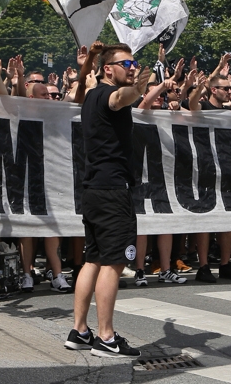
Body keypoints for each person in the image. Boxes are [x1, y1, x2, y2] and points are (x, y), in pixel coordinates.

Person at [68, 44, 147, 358]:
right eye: (126, 62)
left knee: (93, 259)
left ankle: (80, 330)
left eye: (134, 62)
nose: (132, 67)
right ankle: (105, 336)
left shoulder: (90, 95)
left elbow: (98, 90)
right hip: (112, 191)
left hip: (94, 190)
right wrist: (142, 79)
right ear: (108, 69)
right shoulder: (106, 95)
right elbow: (120, 98)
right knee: (114, 262)